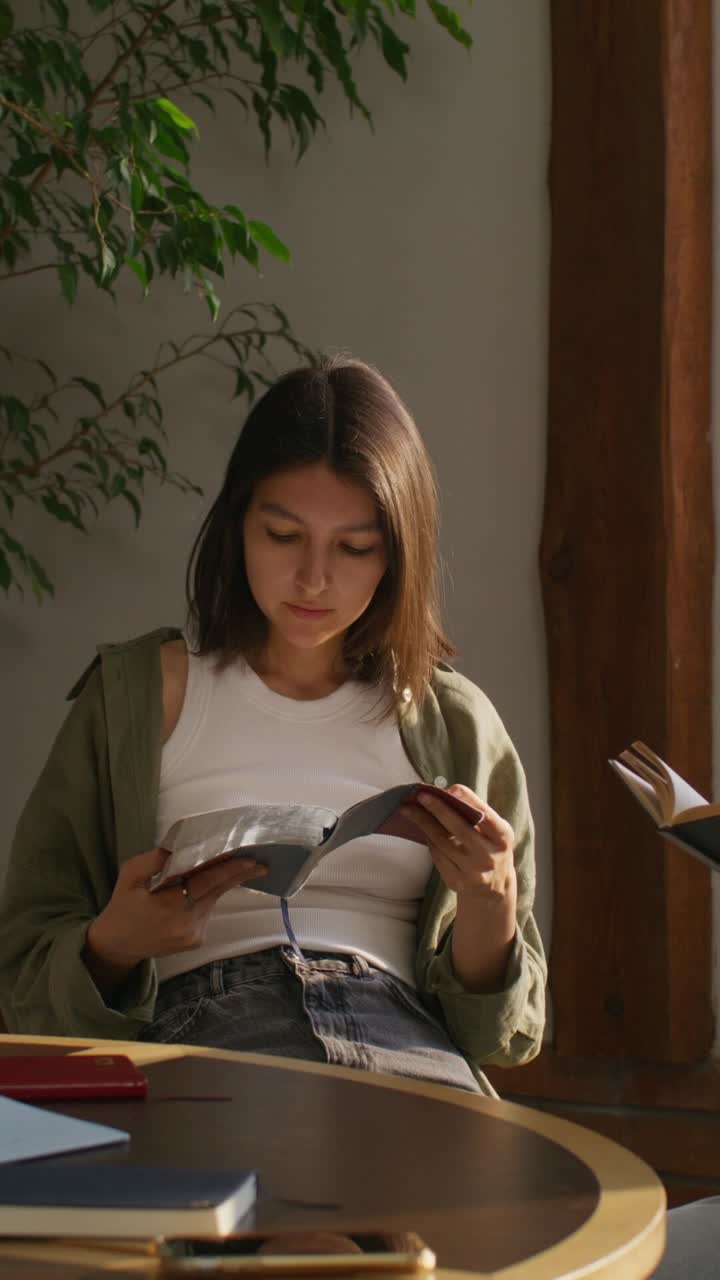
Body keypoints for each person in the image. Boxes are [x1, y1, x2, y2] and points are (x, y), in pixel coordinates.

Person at [0, 356, 546, 1094]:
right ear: (238, 528)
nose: (314, 579)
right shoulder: (141, 695)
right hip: (205, 1026)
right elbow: (22, 973)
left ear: (397, 556)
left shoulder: (454, 724)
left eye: (354, 548)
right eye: (283, 535)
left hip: (404, 1035)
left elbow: (501, 1038)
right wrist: (112, 947)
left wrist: (489, 903)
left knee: (450, 1188)